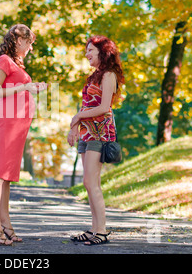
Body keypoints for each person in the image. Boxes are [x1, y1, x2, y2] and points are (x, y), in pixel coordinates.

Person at [0, 24, 47, 246]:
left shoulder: (17, 64)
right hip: (6, 124)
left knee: (8, 177)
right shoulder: (4, 60)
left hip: (18, 127)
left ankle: (6, 224)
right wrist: (24, 89)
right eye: (29, 43)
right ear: (19, 40)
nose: (31, 48)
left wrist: (32, 87)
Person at [67, 35, 124, 245]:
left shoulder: (109, 75)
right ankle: (94, 229)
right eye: (86, 50)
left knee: (91, 182)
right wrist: (74, 127)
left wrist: (77, 118)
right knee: (90, 183)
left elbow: (103, 108)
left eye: (90, 50)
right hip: (87, 133)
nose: (86, 54)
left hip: (100, 132)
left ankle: (102, 231)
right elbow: (85, 106)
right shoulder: (93, 76)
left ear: (103, 51)